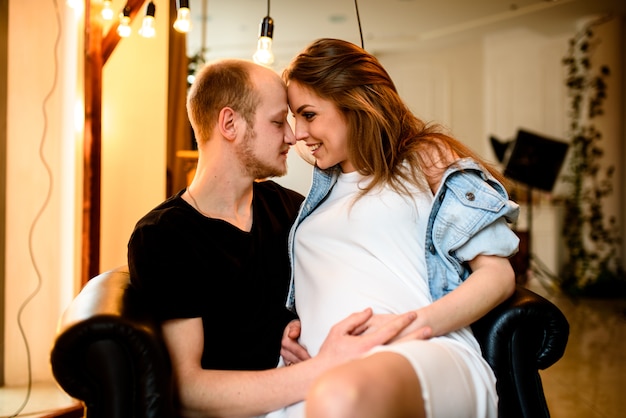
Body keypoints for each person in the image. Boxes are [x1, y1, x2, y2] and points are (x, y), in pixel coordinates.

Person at [127, 58, 419, 418]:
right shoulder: (164, 237)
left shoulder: (294, 212)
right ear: (230, 123)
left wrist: (297, 326)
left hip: (316, 400)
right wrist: (319, 368)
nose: (293, 136)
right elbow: (189, 389)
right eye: (279, 122)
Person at [274, 38, 520, 418]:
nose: (298, 133)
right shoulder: (317, 195)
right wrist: (297, 326)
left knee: (340, 398)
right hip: (319, 367)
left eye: (308, 114)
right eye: (292, 118)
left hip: (419, 351)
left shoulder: (424, 158)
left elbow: (497, 276)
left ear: (354, 103)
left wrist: (406, 328)